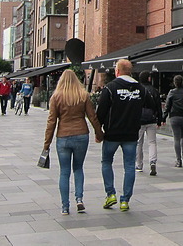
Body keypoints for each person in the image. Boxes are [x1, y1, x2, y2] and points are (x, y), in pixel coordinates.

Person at [44, 69, 103, 215]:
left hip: (63, 137)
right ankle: (79, 199)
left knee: (64, 172)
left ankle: (65, 206)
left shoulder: (56, 97)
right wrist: (99, 133)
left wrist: (47, 144)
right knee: (78, 168)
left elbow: (51, 122)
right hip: (81, 134)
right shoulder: (83, 95)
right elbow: (92, 116)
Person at [97, 58, 149, 212]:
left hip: (112, 133)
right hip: (131, 134)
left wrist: (98, 131)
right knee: (130, 166)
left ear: (117, 71)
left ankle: (110, 194)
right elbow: (150, 105)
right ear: (130, 71)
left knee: (106, 162)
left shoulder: (110, 88)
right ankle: (125, 200)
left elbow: (101, 112)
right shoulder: (141, 89)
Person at [136, 71, 163, 176]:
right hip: (151, 119)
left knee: (139, 143)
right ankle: (152, 162)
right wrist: (160, 119)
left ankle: (139, 165)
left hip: (139, 119)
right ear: (149, 79)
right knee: (152, 142)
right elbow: (158, 106)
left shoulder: (137, 90)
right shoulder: (154, 91)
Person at [163, 74, 183, 168]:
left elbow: (167, 106)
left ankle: (178, 160)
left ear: (174, 83)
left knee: (176, 138)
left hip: (174, 117)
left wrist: (163, 117)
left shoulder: (172, 92)